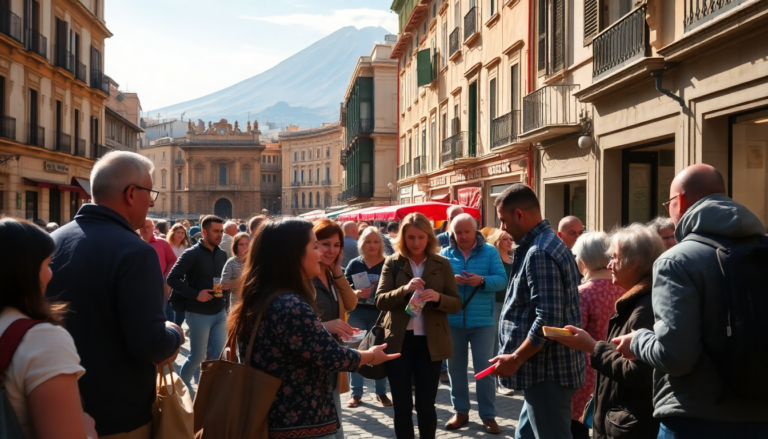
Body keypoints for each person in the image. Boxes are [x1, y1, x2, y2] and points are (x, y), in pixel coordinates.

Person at [613, 164, 768, 438]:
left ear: (679, 201)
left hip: (695, 418)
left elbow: (676, 357)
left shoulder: (676, 261)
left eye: (668, 203)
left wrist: (638, 341)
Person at [46, 151, 183, 438]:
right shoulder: (135, 252)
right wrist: (174, 333)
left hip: (58, 408)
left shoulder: (53, 240)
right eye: (150, 192)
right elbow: (152, 345)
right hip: (119, 416)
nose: (153, 201)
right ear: (131, 193)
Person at [227, 218, 399, 438]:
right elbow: (334, 357)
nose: (322, 253)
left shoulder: (267, 295)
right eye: (315, 246)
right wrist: (371, 356)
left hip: (279, 417)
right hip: (301, 420)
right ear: (293, 254)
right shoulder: (290, 304)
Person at [490, 183, 584, 439]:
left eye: (503, 220)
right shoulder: (545, 244)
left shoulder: (539, 252)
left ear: (519, 214)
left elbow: (548, 319)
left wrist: (516, 358)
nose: (502, 228)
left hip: (547, 374)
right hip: (543, 375)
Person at [551, 224, 663, 438]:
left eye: (614, 258)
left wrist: (592, 347)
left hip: (628, 421)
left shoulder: (643, 307)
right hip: (619, 415)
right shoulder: (635, 298)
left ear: (634, 263)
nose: (609, 265)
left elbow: (639, 373)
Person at [0, 218, 97, 439]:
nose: (50, 274)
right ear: (24, 272)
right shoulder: (42, 339)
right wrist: (89, 431)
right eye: (47, 264)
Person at [376, 212, 462, 439]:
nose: (416, 243)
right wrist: (404, 290)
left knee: (426, 405)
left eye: (421, 237)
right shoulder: (393, 262)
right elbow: (380, 299)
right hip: (399, 341)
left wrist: (438, 298)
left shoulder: (441, 263)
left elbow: (456, 304)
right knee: (402, 406)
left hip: (430, 344)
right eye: (411, 237)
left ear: (429, 238)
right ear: (403, 237)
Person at [439, 214, 507, 433]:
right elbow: (436, 284)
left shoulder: (490, 252)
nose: (462, 236)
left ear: (475, 231)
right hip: (453, 320)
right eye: (458, 233)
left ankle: (488, 415)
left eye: (466, 232)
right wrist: (451, 280)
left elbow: (502, 280)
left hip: (483, 322)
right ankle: (460, 412)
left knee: (484, 370)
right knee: (455, 370)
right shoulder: (445, 254)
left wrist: (482, 280)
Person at [565, 231, 626, 439]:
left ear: (582, 261)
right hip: (618, 364)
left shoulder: (583, 292)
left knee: (579, 425)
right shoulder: (626, 288)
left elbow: (572, 335)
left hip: (586, 371)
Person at [167, 215, 228, 395]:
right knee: (197, 357)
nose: (219, 235)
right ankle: (182, 391)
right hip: (198, 313)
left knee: (219, 357)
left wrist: (226, 289)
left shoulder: (222, 254)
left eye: (221, 231)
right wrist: (196, 294)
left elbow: (221, 281)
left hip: (219, 312)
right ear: (204, 232)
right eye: (216, 231)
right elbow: (172, 279)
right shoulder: (191, 253)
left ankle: (214, 395)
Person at [311, 218, 360, 438]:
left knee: (335, 424)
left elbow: (351, 303)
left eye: (337, 245)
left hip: (333, 356)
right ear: (313, 244)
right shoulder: (305, 275)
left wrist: (338, 271)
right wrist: (325, 326)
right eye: (325, 244)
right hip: (312, 360)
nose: (331, 250)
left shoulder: (331, 273)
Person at [344, 226, 391, 408]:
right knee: (355, 351)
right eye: (368, 242)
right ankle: (356, 393)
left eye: (376, 241)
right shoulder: (355, 264)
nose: (372, 246)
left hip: (380, 315)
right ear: (362, 243)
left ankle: (381, 392)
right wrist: (355, 292)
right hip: (357, 312)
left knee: (380, 351)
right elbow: (344, 288)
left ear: (381, 244)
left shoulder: (388, 263)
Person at [485, 228, 515, 396]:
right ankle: (498, 381)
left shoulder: (513, 260)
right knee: (495, 342)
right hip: (495, 304)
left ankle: (506, 378)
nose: (510, 242)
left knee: (508, 341)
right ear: (497, 242)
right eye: (505, 239)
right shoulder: (494, 262)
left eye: (510, 238)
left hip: (510, 305)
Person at [221, 232, 250, 310]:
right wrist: (246, 279)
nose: (245, 247)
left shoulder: (256, 261)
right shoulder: (231, 262)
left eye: (247, 244)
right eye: (241, 244)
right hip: (237, 302)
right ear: (236, 246)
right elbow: (224, 284)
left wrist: (234, 283)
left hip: (254, 301)